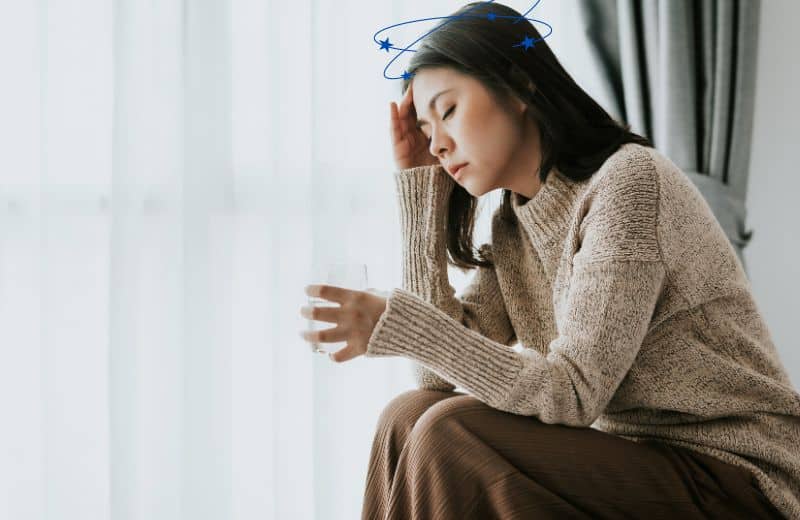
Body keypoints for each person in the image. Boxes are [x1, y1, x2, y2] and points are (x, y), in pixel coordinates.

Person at [302, 2, 799, 518]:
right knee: (407, 416)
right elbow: (432, 378)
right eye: (427, 131)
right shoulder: (513, 225)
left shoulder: (627, 185)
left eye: (448, 112)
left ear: (518, 86)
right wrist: (420, 189)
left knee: (448, 434)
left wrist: (396, 323)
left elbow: (574, 391)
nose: (439, 145)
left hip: (738, 476)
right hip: (640, 459)